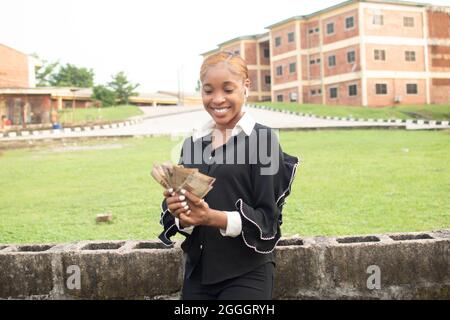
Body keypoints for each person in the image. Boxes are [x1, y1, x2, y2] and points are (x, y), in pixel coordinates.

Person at [158, 51, 300, 300]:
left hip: (247, 273)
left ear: (246, 87)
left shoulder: (263, 141)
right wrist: (180, 214)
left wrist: (213, 217)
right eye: (208, 90)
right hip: (198, 274)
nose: (217, 99)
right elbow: (184, 216)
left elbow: (268, 221)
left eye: (228, 89)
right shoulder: (192, 144)